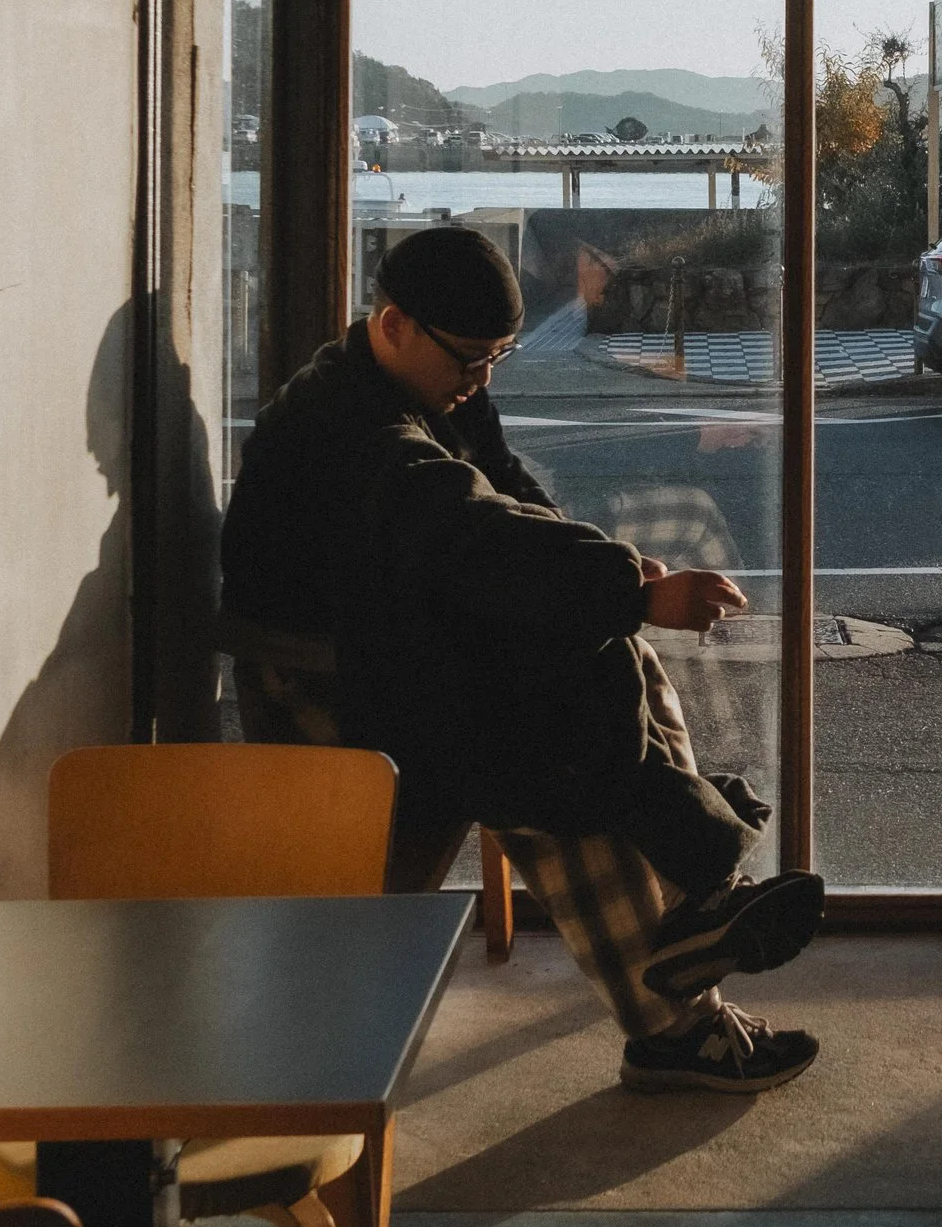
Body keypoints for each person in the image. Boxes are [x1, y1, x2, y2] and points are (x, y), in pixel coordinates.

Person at [221, 225, 823, 1093]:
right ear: (393, 324)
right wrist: (631, 590)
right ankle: (681, 995)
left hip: (404, 648)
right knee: (564, 764)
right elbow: (466, 528)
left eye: (498, 358)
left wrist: (607, 574)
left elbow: (507, 496)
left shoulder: (435, 389)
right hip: (325, 686)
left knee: (600, 673)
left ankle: (701, 898)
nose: (482, 381)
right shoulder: (348, 429)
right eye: (471, 359)